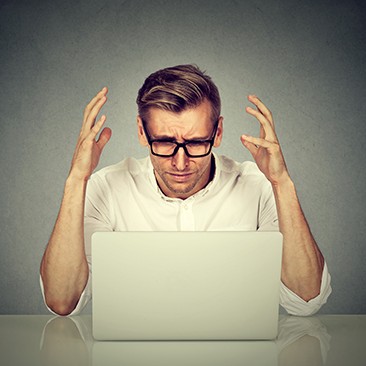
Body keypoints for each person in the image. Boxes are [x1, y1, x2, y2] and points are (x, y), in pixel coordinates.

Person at [40, 64, 331, 316]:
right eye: (165, 142)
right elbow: (61, 302)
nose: (181, 162)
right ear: (142, 132)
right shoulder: (106, 187)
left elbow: (305, 300)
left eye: (195, 144)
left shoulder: (258, 185)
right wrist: (77, 179)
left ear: (217, 133)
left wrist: (282, 183)